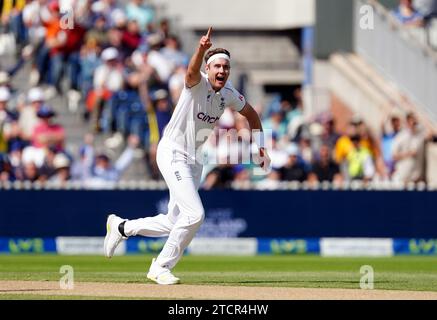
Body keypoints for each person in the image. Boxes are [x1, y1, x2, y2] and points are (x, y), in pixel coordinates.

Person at [103, 27, 270, 285]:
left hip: (195, 160)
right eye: (217, 67)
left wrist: (261, 145)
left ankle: (122, 227)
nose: (222, 72)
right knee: (195, 215)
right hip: (172, 152)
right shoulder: (196, 82)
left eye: (226, 67)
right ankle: (160, 266)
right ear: (208, 69)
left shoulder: (229, 94)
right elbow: (191, 71)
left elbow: (251, 115)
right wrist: (200, 49)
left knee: (174, 222)